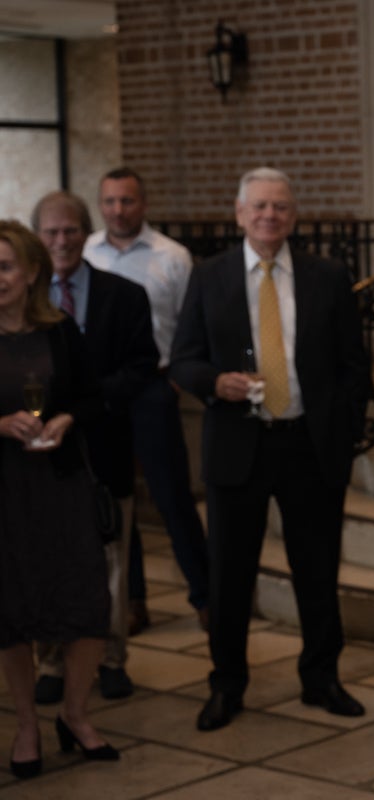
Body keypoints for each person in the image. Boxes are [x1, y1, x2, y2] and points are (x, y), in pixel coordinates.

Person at [170, 167, 369, 731]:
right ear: (239, 214)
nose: (269, 216)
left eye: (280, 206)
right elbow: (183, 358)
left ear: (293, 215)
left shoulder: (327, 275)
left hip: (309, 445)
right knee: (230, 574)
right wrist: (215, 383)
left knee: (317, 570)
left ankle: (322, 678)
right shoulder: (209, 277)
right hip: (238, 443)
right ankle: (227, 684)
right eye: (258, 206)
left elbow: (354, 366)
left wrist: (345, 431)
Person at [0, 220, 120, 779]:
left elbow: (94, 400)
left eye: (3, 267)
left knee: (86, 603)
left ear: (29, 273)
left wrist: (68, 417)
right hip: (6, 494)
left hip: (63, 486)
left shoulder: (62, 331)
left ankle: (75, 715)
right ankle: (26, 723)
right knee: (12, 611)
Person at [31, 192, 158, 705]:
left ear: (88, 234)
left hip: (104, 446)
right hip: (38, 456)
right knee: (47, 560)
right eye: (51, 233)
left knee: (111, 560)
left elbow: (141, 369)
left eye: (70, 231)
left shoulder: (124, 296)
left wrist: (83, 408)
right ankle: (51, 662)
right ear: (37, 238)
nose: (61, 242)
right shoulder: (22, 302)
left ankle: (110, 659)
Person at [84, 166, 210, 637]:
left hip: (155, 387)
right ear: (101, 204)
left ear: (144, 204)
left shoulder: (173, 257)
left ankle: (206, 596)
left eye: (128, 201)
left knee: (172, 495)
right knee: (118, 501)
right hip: (104, 392)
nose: (119, 210)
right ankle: (133, 600)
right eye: (110, 201)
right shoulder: (85, 253)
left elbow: (190, 327)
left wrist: (175, 380)